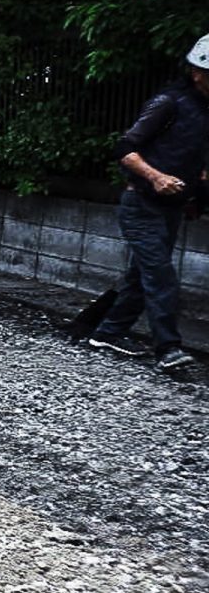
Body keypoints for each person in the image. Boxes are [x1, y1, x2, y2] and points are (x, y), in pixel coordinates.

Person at [86, 34, 209, 372]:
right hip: (141, 204)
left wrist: (197, 191)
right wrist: (156, 177)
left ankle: (108, 332)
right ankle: (168, 348)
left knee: (143, 276)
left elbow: (191, 157)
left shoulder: (204, 111)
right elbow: (124, 148)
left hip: (171, 207)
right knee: (161, 277)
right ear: (196, 72)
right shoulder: (169, 103)